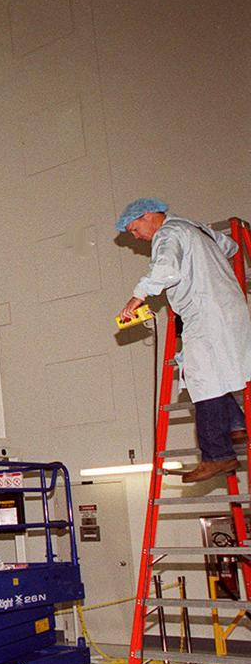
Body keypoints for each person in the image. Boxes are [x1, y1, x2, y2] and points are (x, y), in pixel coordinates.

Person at [116, 198, 251, 483]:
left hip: (205, 313)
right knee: (219, 372)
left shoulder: (167, 234)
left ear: (149, 215)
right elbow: (231, 247)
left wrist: (137, 296)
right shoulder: (195, 228)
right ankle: (236, 423)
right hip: (231, 307)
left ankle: (217, 455)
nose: (135, 236)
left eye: (134, 228)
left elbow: (166, 269)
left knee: (203, 381)